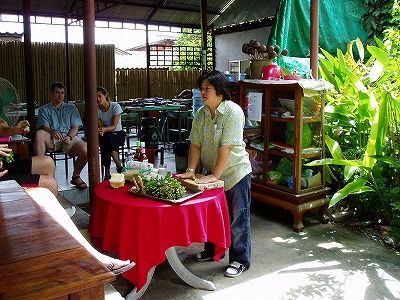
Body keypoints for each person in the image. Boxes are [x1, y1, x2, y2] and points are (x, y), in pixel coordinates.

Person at [175, 70, 252, 278]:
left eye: (207, 88)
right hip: (212, 173)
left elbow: (226, 147)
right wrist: (191, 172)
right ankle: (211, 251)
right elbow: (195, 145)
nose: (203, 92)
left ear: (220, 90)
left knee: (238, 218)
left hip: (235, 172)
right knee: (213, 215)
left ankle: (240, 259)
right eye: (201, 88)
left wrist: (214, 176)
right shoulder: (201, 114)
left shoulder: (233, 112)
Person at [34, 82, 88, 190]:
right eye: (57, 92)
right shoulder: (44, 109)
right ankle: (42, 173)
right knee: (39, 134)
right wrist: (52, 132)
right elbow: (44, 126)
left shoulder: (71, 108)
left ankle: (76, 176)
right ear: (52, 94)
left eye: (62, 93)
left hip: (68, 137)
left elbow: (75, 127)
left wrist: (70, 137)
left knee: (86, 150)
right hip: (51, 138)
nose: (60, 95)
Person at [0, 118, 58, 195]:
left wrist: (15, 130)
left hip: (4, 165)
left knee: (48, 162)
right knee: (50, 184)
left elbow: (2, 128)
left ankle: (43, 204)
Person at [96, 86, 126, 180]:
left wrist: (103, 130)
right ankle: (118, 164)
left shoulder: (115, 106)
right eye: (95, 97)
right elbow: (101, 126)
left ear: (105, 96)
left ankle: (107, 173)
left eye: (100, 96)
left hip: (118, 134)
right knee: (107, 138)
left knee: (107, 138)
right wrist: (101, 130)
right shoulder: (95, 110)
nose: (97, 99)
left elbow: (113, 127)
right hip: (106, 135)